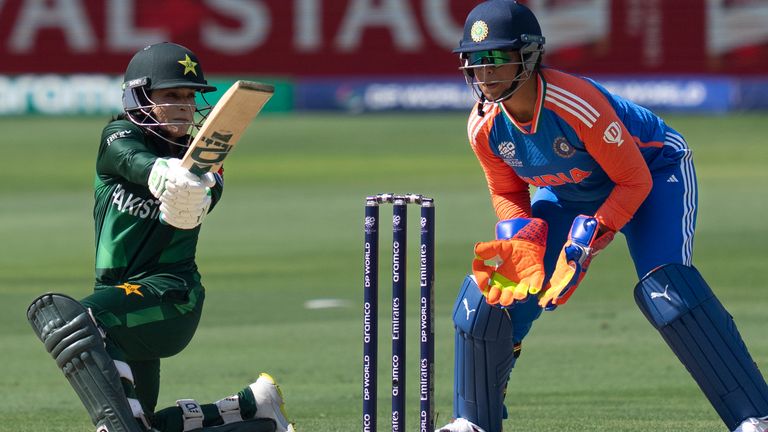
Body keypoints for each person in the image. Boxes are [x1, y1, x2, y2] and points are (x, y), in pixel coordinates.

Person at [436, 2, 768, 431]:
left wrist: (584, 243)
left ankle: (755, 415)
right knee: (499, 288)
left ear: (529, 56)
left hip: (653, 174)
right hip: (571, 190)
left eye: (497, 58)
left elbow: (633, 181)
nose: (486, 72)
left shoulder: (575, 104)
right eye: (477, 61)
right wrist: (521, 238)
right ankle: (474, 420)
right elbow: (507, 190)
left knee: (668, 290)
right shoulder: (483, 126)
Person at [26, 42, 295, 432]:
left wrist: (193, 192)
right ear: (139, 97)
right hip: (123, 301)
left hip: (171, 296)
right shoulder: (119, 134)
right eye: (171, 95)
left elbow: (202, 197)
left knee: (74, 318)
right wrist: (160, 172)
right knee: (144, 425)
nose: (184, 105)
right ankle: (254, 411)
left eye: (189, 96)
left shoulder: (205, 162)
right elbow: (126, 159)